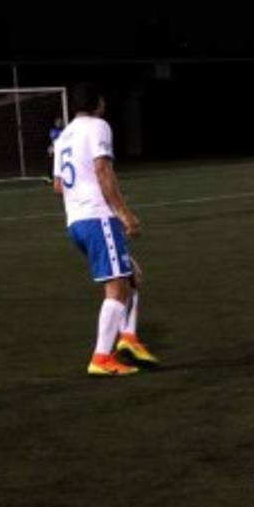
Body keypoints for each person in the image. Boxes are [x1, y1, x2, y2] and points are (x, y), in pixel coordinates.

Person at [53, 83, 158, 376]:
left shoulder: (63, 137)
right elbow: (103, 169)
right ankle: (101, 357)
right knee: (116, 288)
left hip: (76, 222)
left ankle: (129, 339)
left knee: (130, 277)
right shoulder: (98, 126)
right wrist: (124, 214)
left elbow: (58, 186)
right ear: (98, 103)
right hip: (97, 218)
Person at [45, 115, 64, 182]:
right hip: (54, 148)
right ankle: (50, 177)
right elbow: (52, 136)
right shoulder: (53, 130)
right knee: (51, 163)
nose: (59, 123)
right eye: (58, 122)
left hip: (61, 149)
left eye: (60, 122)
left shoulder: (63, 129)